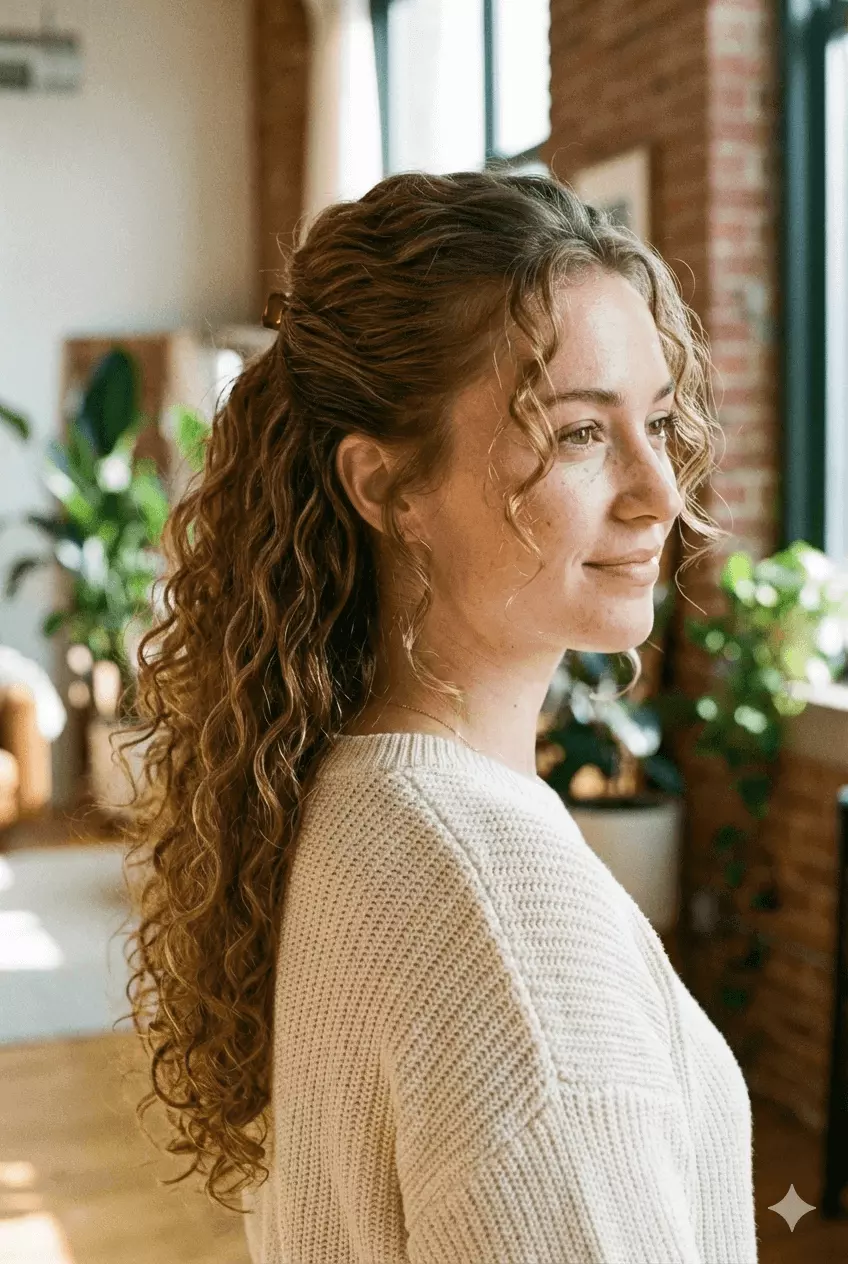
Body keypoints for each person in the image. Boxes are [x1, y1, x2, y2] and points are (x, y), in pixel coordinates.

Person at [122, 170, 758, 1263]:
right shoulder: (501, 923)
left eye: (655, 420)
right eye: (575, 435)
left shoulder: (354, 801)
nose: (659, 488)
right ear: (386, 487)